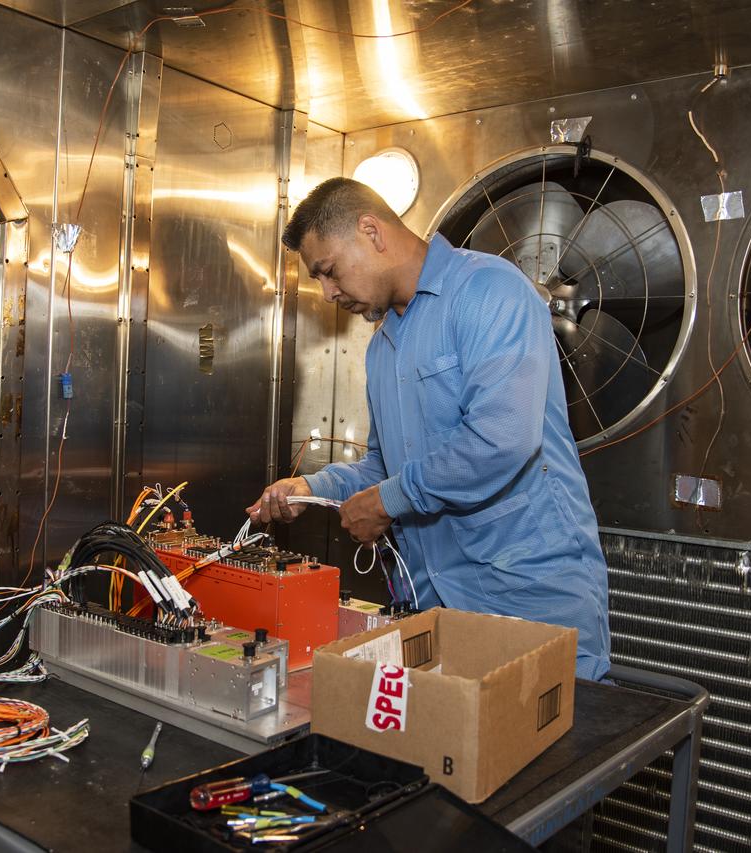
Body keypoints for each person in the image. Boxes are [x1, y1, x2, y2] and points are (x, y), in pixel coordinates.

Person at [245, 177, 611, 681]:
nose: (328, 292)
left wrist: (386, 502)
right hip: (433, 604)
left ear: (371, 231)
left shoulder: (489, 291)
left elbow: (502, 438)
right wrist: (311, 488)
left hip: (526, 600)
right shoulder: (382, 348)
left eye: (328, 272)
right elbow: (385, 465)